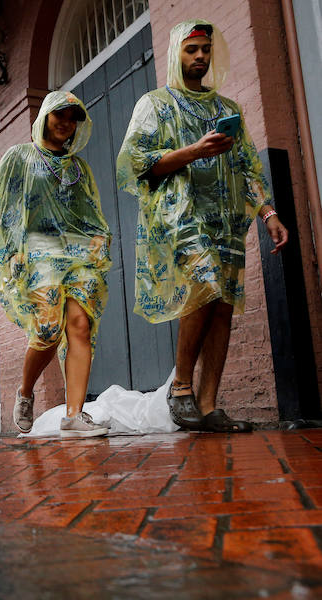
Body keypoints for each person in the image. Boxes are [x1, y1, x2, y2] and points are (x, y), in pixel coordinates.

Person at [116, 20, 288, 433]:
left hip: (226, 218)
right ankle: (180, 388)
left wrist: (268, 214)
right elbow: (138, 163)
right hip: (180, 215)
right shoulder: (155, 104)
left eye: (205, 49)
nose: (200, 57)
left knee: (223, 304)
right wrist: (194, 151)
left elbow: (247, 165)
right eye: (191, 49)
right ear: (177, 52)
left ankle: (210, 406)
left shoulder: (228, 109)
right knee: (205, 286)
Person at [0, 91, 112, 438]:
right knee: (49, 331)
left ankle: (74, 414)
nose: (66, 122)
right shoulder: (19, 157)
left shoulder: (79, 168)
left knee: (80, 325)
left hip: (77, 254)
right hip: (36, 251)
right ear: (45, 117)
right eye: (59, 115)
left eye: (73, 117)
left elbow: (89, 211)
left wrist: (98, 238)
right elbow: (1, 208)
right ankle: (25, 391)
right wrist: (11, 251)